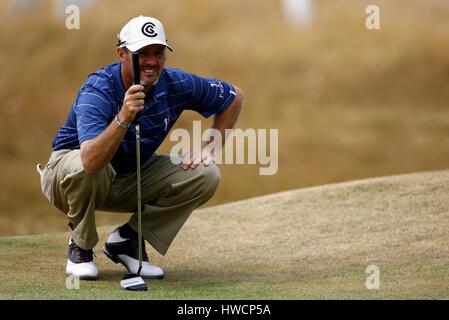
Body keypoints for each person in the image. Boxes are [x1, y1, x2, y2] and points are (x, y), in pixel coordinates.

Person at [38, 16, 244, 280]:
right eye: (142, 53)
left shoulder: (175, 84)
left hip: (126, 176)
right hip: (68, 177)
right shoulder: (98, 88)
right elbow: (89, 161)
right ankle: (80, 245)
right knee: (87, 166)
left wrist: (211, 146)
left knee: (206, 174)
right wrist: (123, 117)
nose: (151, 61)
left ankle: (129, 241)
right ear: (121, 54)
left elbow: (234, 97)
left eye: (158, 53)